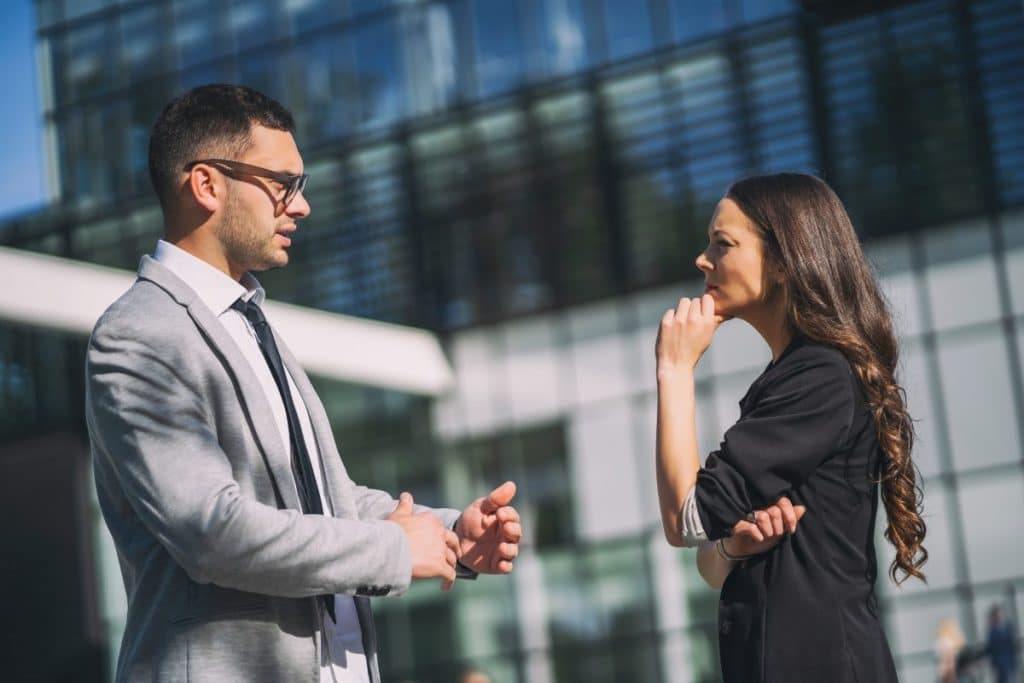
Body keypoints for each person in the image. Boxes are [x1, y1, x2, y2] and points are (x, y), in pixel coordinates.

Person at [85, 84, 522, 683]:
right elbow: (213, 530)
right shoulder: (139, 335)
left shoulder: (253, 323)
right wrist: (395, 551)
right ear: (207, 184)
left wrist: (447, 535)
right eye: (282, 183)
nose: (300, 206)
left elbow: (324, 498)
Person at [653, 173, 928, 682]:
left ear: (782, 263)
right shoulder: (790, 379)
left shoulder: (819, 375)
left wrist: (674, 370)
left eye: (723, 244)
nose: (702, 259)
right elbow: (708, 558)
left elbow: (685, 519)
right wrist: (735, 546)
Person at [986, 604, 1019, 683]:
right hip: (999, 663)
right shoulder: (992, 631)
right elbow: (991, 648)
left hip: (1009, 660)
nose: (999, 617)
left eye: (1000, 615)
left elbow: (1012, 645)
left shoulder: (1008, 628)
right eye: (997, 615)